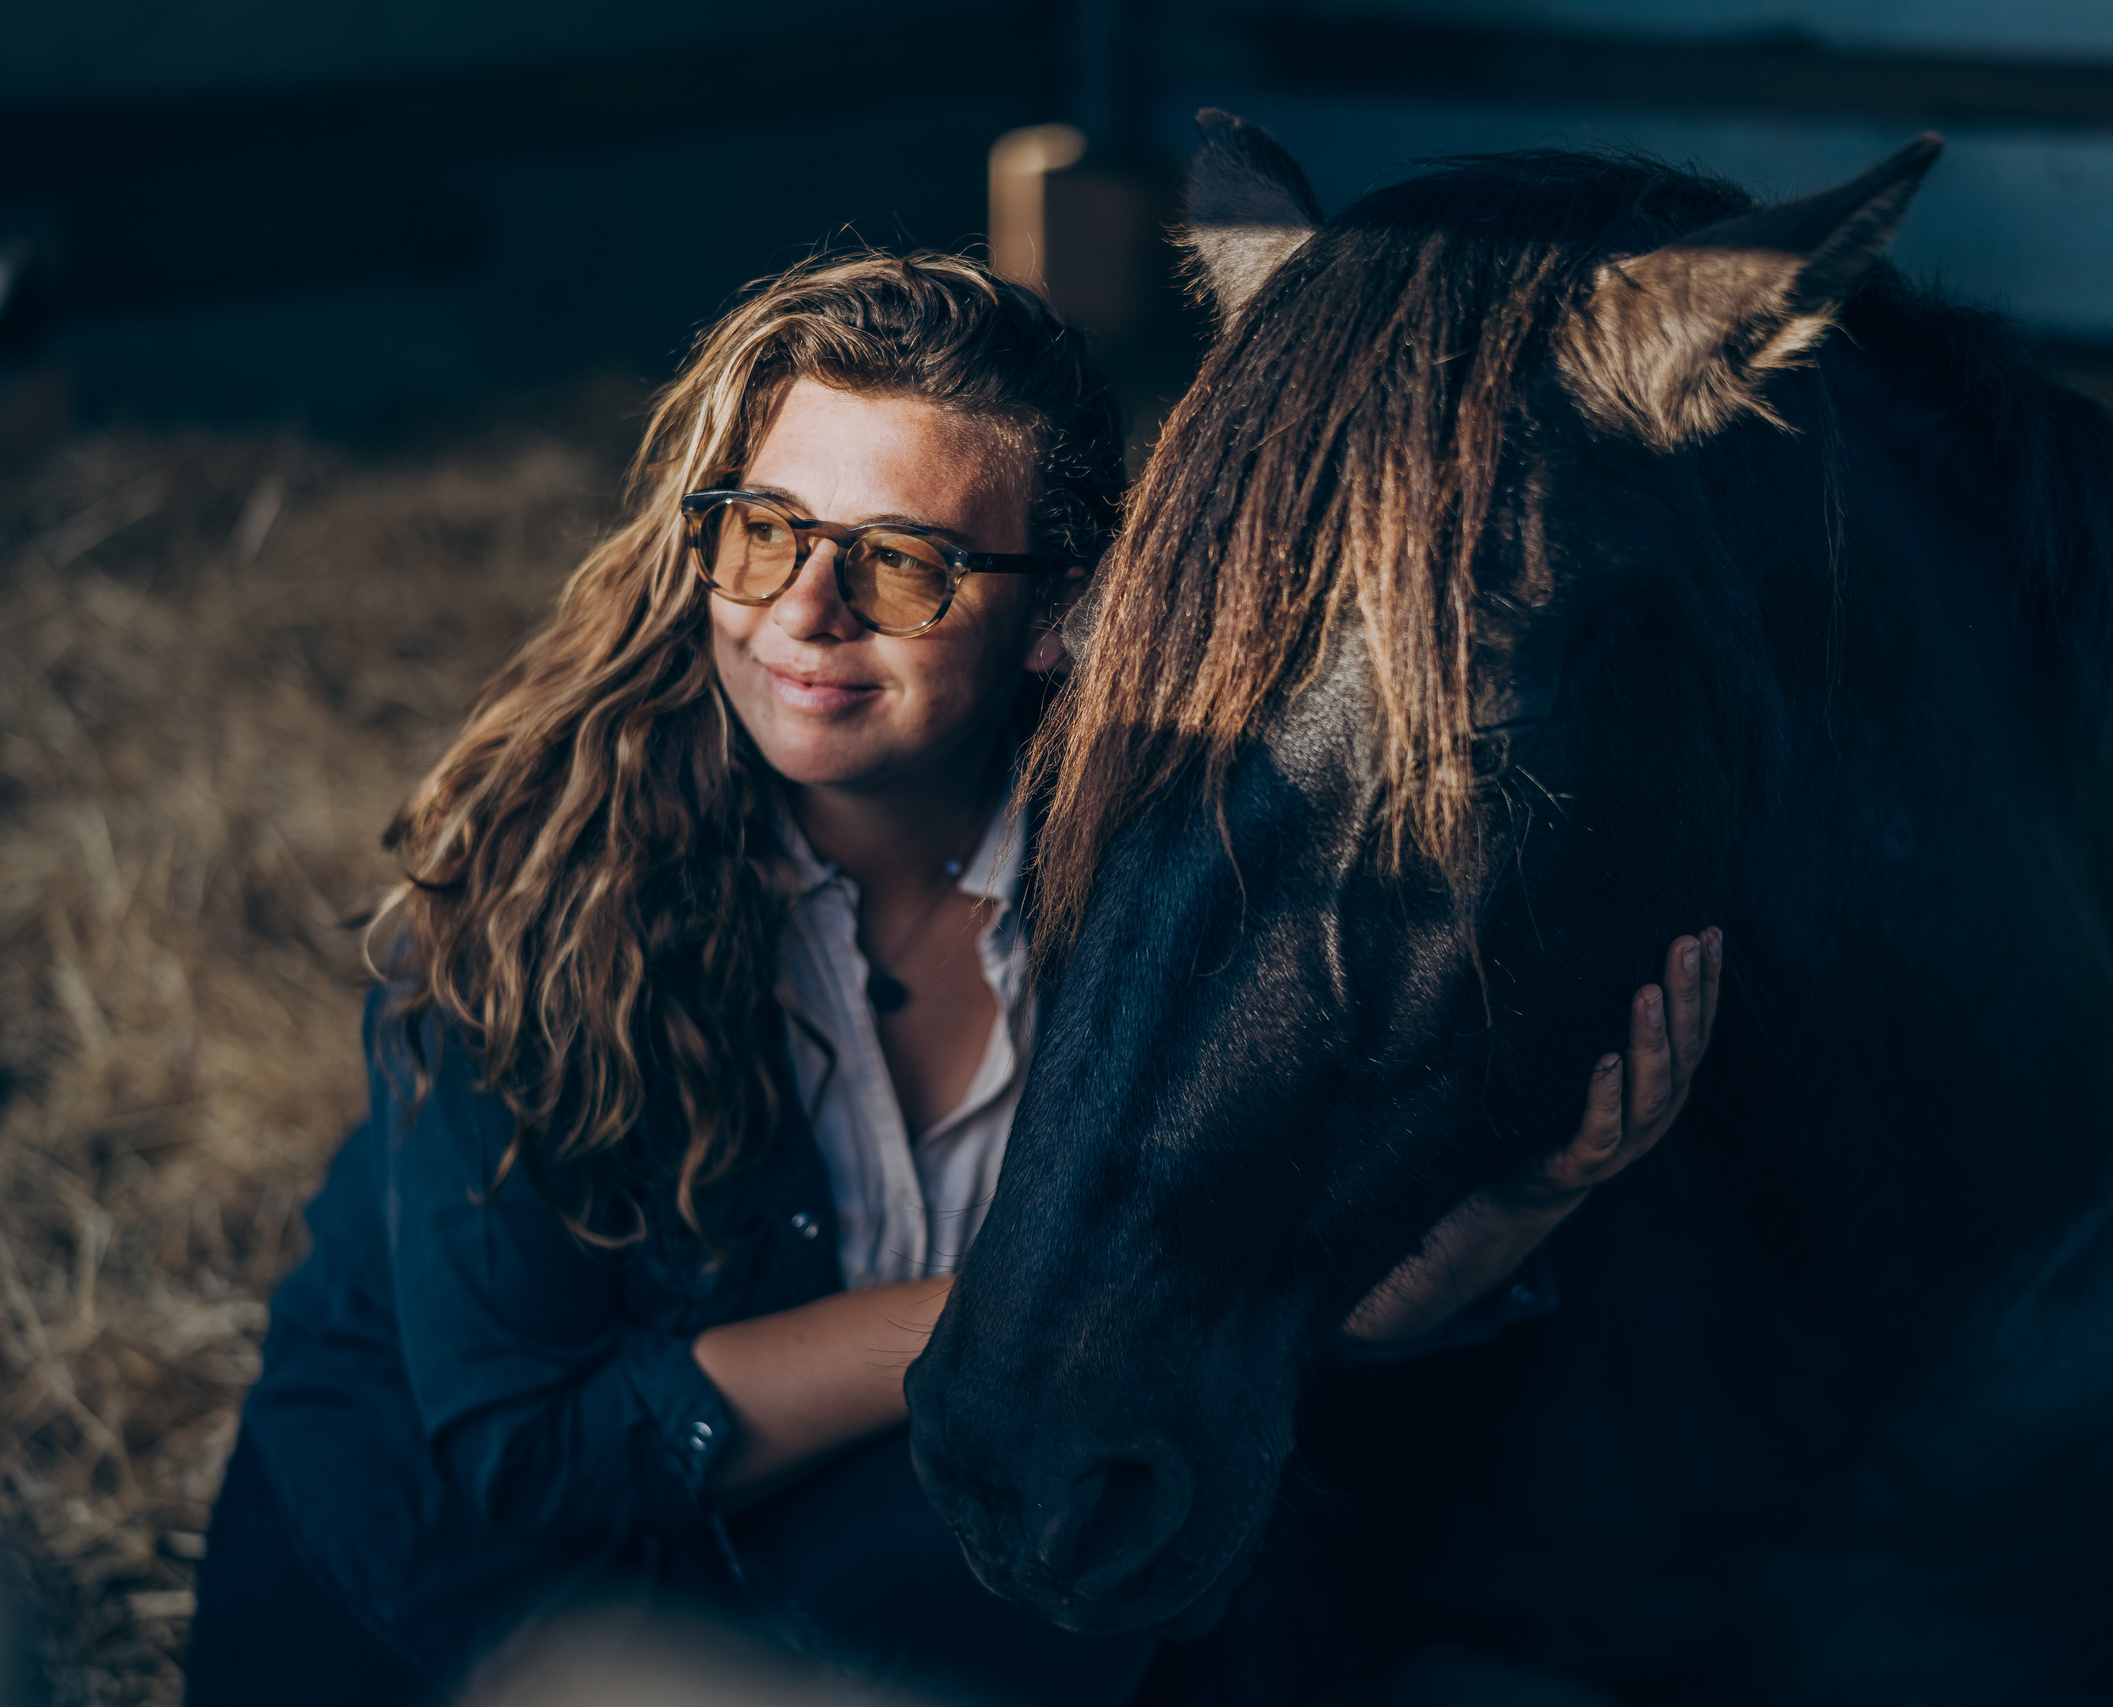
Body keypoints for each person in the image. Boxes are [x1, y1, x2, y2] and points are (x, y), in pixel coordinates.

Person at [183, 251, 1721, 1706]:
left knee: (1210, 1574)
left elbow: (1248, 1306)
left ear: (1061, 616)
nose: (802, 610)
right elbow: (532, 1449)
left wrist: (1516, 1206)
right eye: (764, 528)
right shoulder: (527, 896)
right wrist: (1007, 1317)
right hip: (457, 1618)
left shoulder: (1166, 880)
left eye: (903, 565)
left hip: (880, 1573)